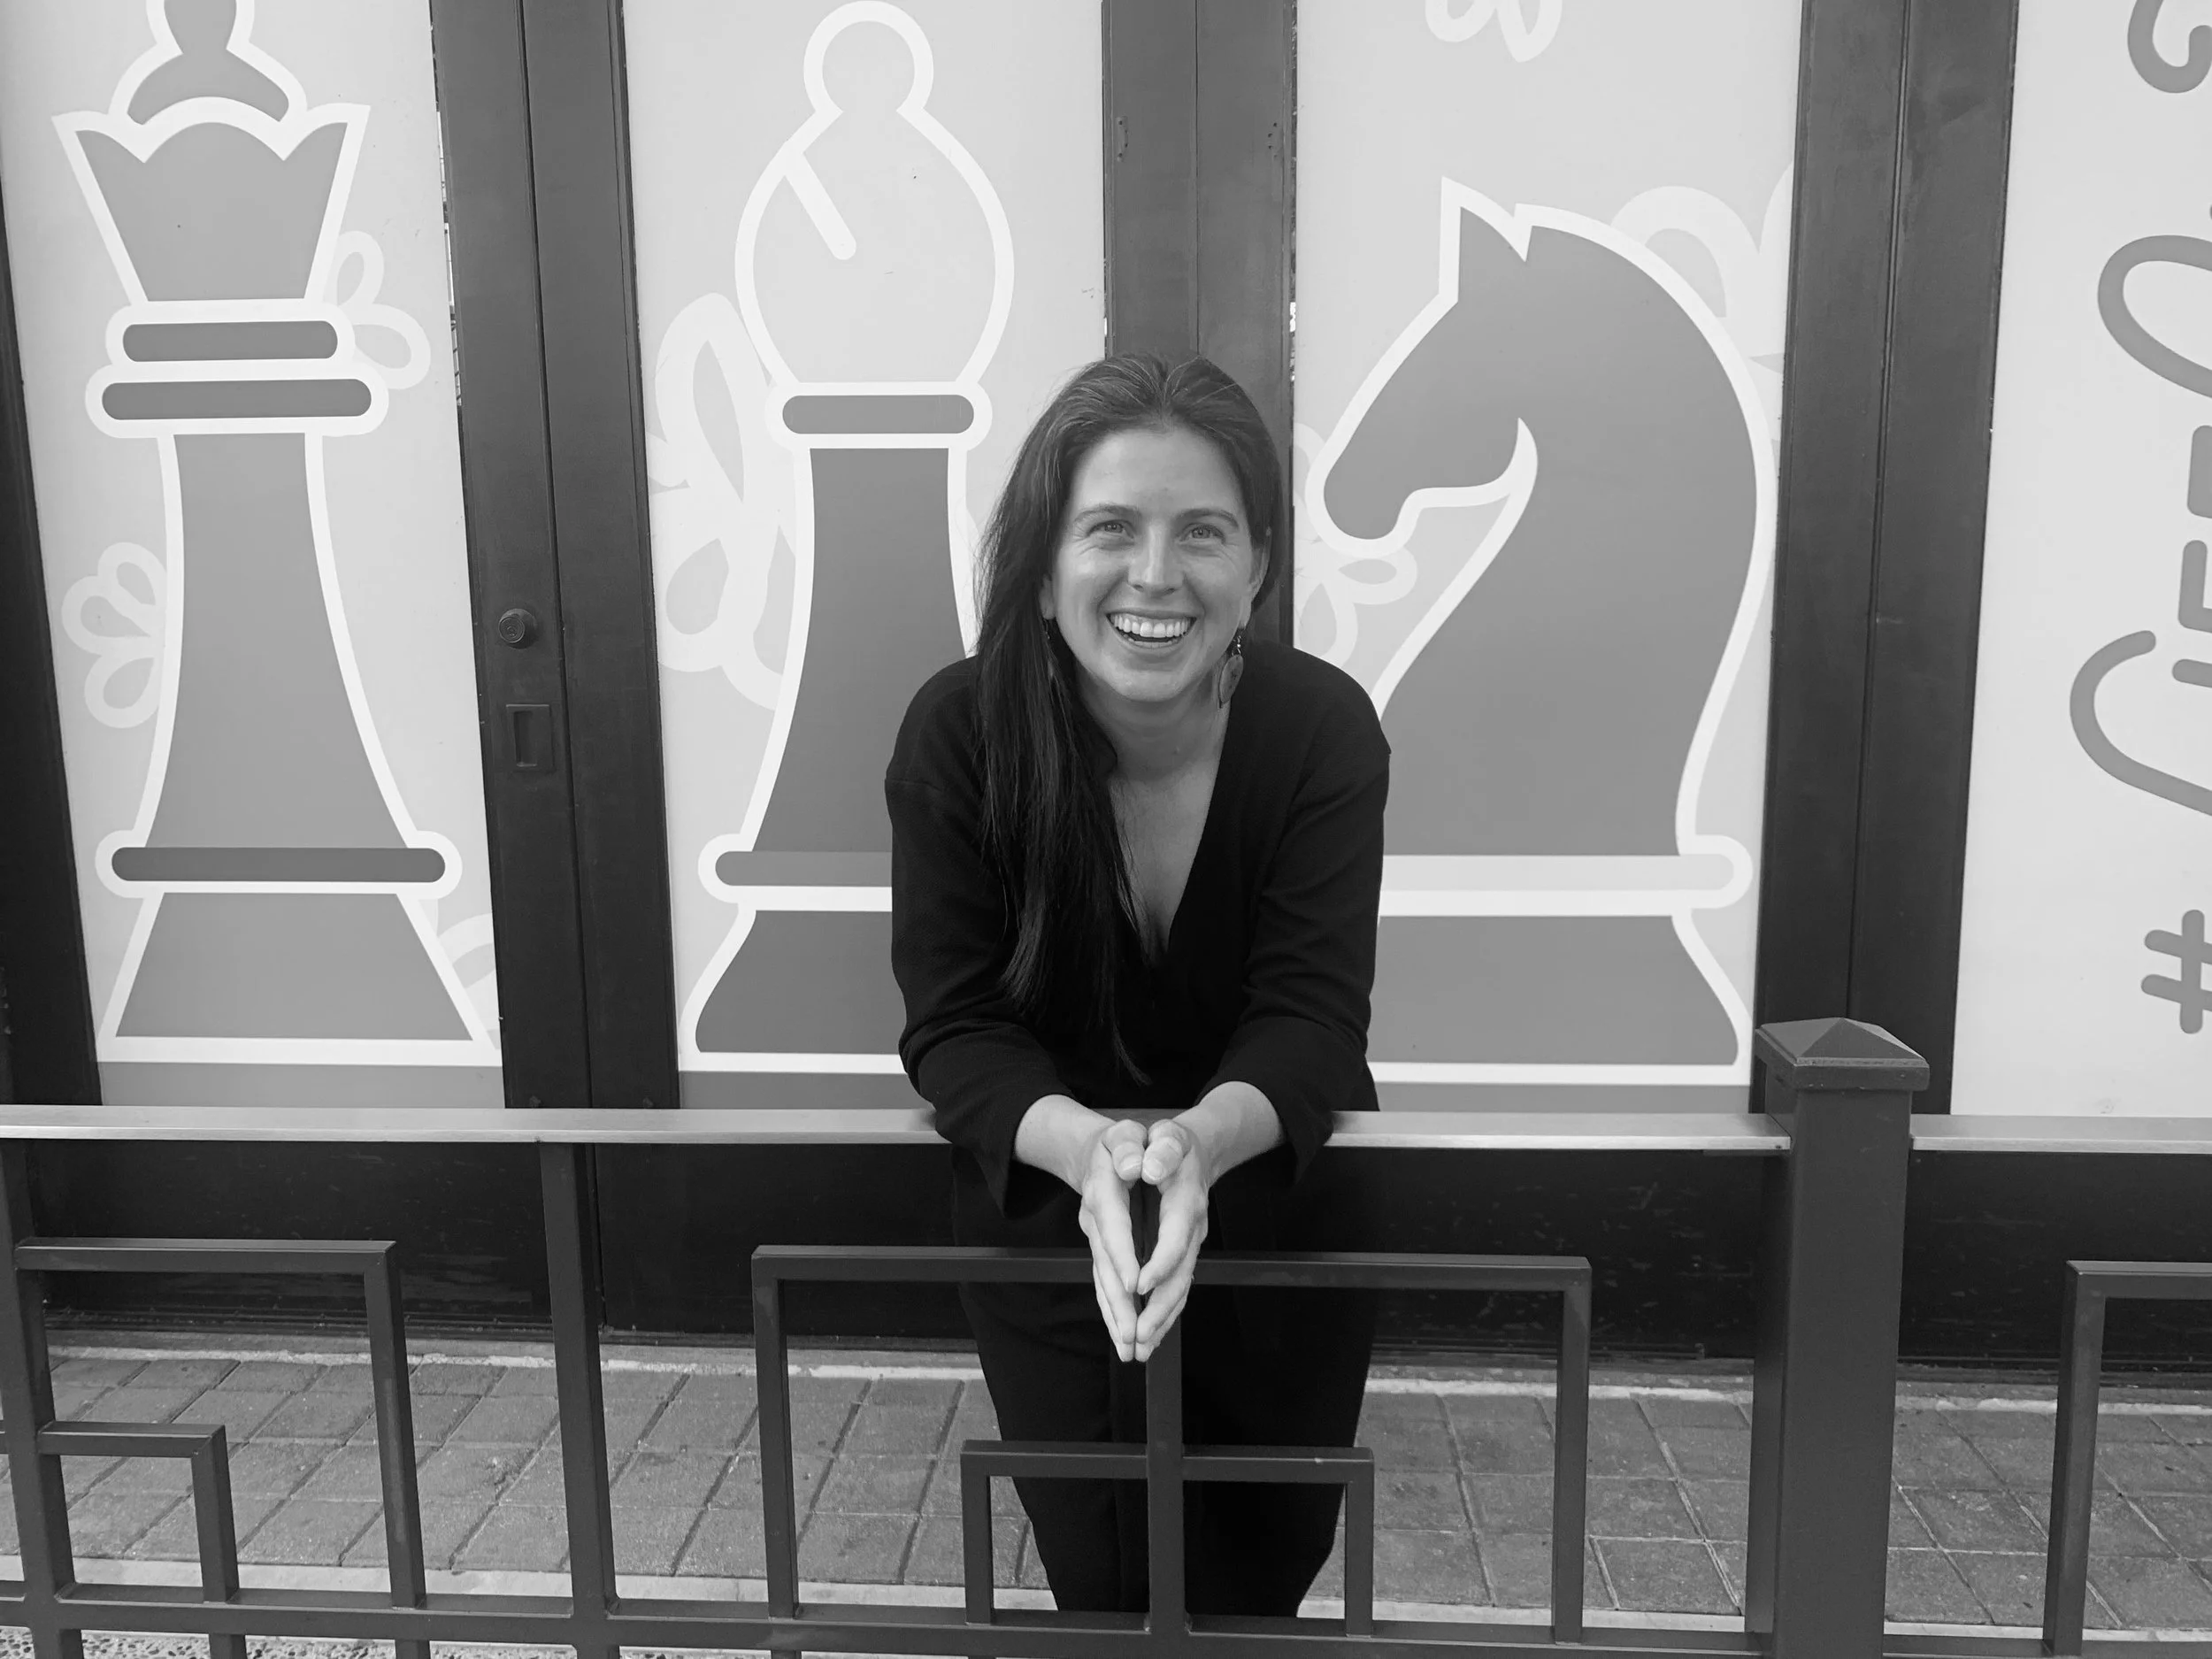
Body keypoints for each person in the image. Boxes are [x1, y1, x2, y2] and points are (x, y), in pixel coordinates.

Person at [887, 353, 1387, 1617]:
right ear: (1042, 567)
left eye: (1202, 532)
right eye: (1109, 528)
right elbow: (955, 1025)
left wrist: (1197, 1147)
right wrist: (1092, 1153)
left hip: (1272, 1197)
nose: (1156, 575)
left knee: (1259, 1582)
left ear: (1258, 565)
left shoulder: (1323, 730)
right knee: (1106, 1584)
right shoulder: (962, 734)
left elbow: (1313, 1016)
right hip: (1051, 1208)